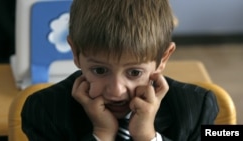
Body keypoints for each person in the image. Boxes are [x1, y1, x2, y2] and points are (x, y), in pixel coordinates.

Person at [21, 0, 219, 140]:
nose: (116, 91)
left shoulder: (196, 107)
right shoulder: (44, 110)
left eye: (134, 73)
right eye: (99, 70)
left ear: (163, 58)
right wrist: (102, 134)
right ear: (75, 53)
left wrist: (146, 136)